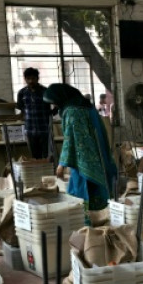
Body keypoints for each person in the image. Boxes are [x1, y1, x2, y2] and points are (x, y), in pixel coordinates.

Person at [43, 84, 117, 223]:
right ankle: (102, 219)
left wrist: (61, 164)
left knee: (81, 189)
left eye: (53, 101)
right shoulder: (85, 105)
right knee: (98, 187)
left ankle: (85, 222)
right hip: (98, 153)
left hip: (83, 159)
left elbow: (70, 139)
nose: (53, 105)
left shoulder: (72, 111)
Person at [15, 68, 53, 159]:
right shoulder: (22, 93)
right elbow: (21, 107)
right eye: (28, 79)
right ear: (25, 79)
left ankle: (47, 172)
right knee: (34, 157)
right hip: (30, 130)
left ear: (37, 78)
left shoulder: (45, 91)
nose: (31, 81)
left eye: (33, 78)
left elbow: (54, 107)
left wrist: (50, 114)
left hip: (44, 129)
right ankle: (38, 173)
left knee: (46, 156)